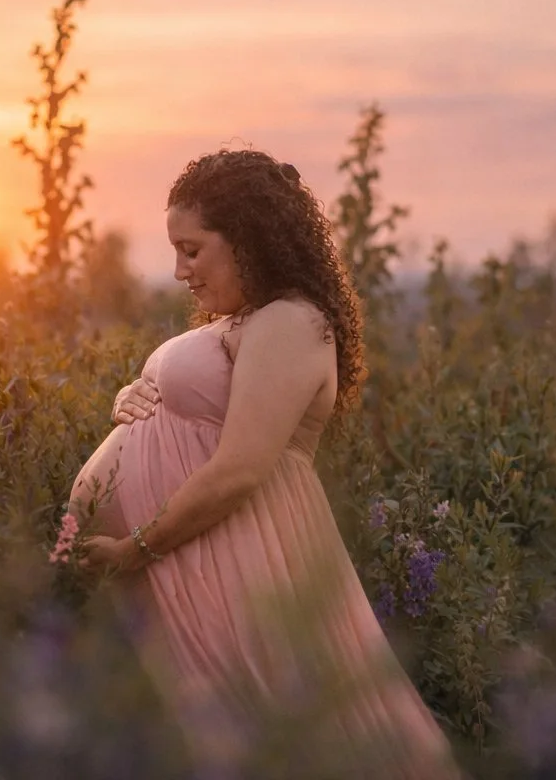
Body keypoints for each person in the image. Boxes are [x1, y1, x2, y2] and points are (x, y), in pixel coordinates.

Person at [70, 149, 460, 777]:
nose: (179, 271)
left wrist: (134, 547)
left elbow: (240, 470)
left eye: (192, 250)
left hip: (237, 553)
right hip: (198, 557)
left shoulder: (291, 321)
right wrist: (135, 397)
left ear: (247, 240)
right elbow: (203, 411)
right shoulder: (249, 321)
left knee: (271, 740)